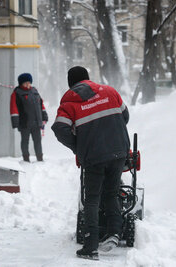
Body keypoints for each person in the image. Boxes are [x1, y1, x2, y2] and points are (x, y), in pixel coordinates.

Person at [51, 66, 130, 260]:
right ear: (88, 78)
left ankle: (90, 247)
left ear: (71, 83)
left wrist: (79, 146)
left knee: (92, 200)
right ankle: (114, 233)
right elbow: (125, 116)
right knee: (111, 193)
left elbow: (60, 129)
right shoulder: (110, 91)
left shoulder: (69, 101)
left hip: (94, 156)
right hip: (119, 151)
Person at [10, 73, 48, 162]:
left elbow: (41, 104)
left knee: (38, 141)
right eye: (25, 83)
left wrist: (44, 116)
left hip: (36, 122)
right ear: (21, 84)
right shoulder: (17, 93)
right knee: (25, 141)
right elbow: (13, 107)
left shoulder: (34, 91)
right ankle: (26, 158)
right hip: (24, 123)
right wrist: (15, 121)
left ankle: (40, 158)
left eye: (29, 82)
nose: (28, 85)